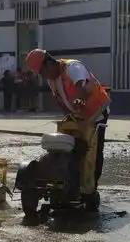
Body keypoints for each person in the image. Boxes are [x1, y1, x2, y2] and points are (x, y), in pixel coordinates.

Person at [24, 49, 111, 189]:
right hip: (77, 116)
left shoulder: (72, 67)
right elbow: (59, 100)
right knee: (71, 147)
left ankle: (91, 185)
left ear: (48, 64)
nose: (42, 76)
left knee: (93, 149)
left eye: (42, 72)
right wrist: (68, 116)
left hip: (96, 112)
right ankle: (72, 180)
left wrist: (79, 100)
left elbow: (81, 87)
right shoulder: (51, 80)